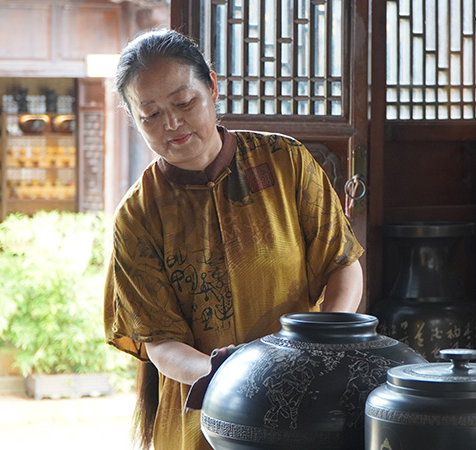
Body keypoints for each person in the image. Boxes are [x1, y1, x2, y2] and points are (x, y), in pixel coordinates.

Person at [102, 28, 364, 450]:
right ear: (134, 119)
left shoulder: (285, 163)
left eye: (184, 103)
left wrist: (318, 350)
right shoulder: (139, 215)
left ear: (212, 87)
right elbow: (160, 341)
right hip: (203, 408)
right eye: (150, 114)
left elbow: (342, 265)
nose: (172, 123)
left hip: (305, 397)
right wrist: (231, 375)